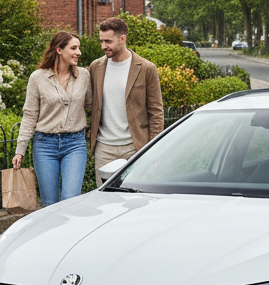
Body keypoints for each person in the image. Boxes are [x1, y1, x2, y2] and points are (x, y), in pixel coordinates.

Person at [13, 31, 93, 205]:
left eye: (79, 48)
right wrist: (20, 149)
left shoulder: (84, 76)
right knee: (50, 203)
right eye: (74, 48)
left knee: (70, 199)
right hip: (44, 145)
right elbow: (30, 115)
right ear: (59, 50)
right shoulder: (37, 78)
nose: (78, 52)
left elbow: (92, 105)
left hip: (75, 144)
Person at [89, 16, 164, 179]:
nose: (103, 46)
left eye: (108, 41)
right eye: (102, 41)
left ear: (122, 39)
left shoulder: (146, 68)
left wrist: (154, 149)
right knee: (104, 195)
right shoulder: (96, 67)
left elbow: (156, 113)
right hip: (104, 148)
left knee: (135, 193)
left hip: (135, 147)